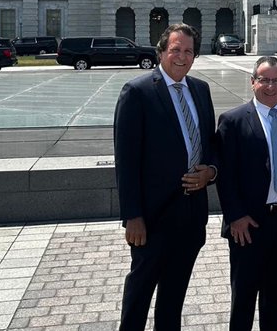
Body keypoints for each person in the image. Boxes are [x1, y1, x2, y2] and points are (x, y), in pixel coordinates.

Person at [114, 23, 218, 331]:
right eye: (175, 50)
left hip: (190, 214)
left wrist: (210, 172)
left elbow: (210, 145)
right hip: (152, 216)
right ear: (161, 52)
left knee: (174, 297)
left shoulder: (201, 89)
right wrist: (132, 215)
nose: (182, 57)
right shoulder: (138, 91)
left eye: (188, 51)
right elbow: (126, 160)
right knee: (140, 293)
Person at [216, 56, 277, 331]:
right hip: (248, 224)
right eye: (264, 80)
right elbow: (226, 175)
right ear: (253, 82)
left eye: (276, 80)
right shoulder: (233, 120)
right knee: (244, 297)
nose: (271, 86)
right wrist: (235, 216)